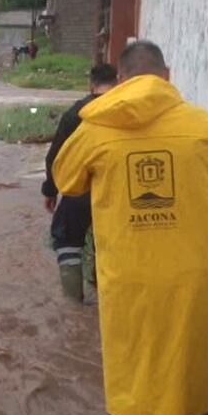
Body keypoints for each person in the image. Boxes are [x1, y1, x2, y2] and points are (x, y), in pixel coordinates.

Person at [52, 41, 208, 415]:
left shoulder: (97, 126)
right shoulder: (205, 127)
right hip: (192, 278)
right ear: (166, 74)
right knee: (194, 375)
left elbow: (67, 180)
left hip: (128, 279)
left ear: (121, 79)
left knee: (128, 373)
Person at [42, 63, 118, 302]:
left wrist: (50, 189)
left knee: (66, 239)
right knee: (108, 242)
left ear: (91, 84)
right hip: (114, 192)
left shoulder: (76, 113)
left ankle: (73, 302)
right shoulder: (126, 110)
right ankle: (105, 297)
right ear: (119, 82)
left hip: (78, 191)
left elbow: (56, 155)